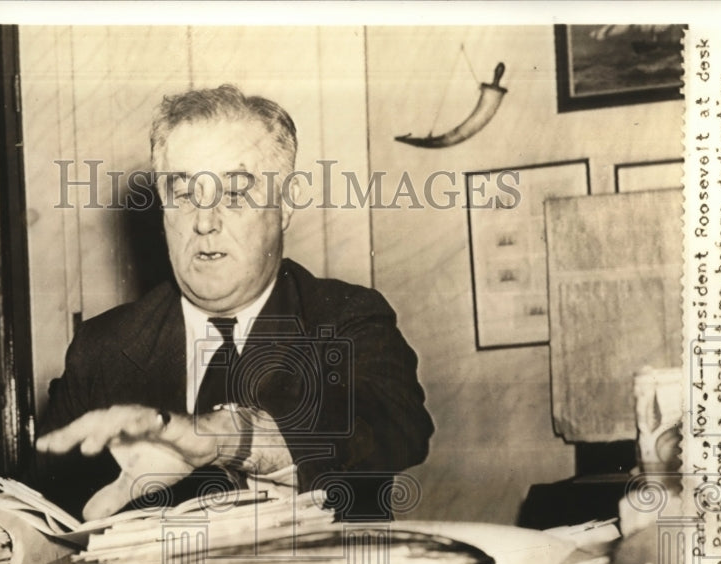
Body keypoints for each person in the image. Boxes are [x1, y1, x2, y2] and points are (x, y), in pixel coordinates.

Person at [36, 84, 433, 521]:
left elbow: (395, 425)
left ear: (285, 204)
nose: (205, 222)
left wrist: (225, 439)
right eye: (184, 194)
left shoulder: (345, 317)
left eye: (236, 193)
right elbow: (51, 512)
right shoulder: (103, 348)